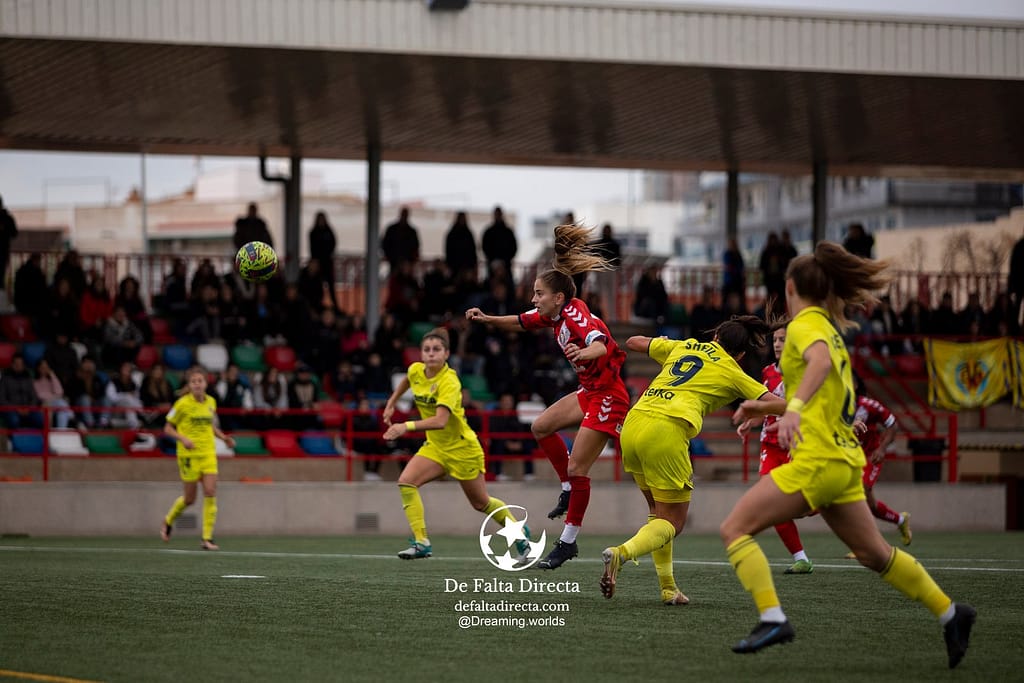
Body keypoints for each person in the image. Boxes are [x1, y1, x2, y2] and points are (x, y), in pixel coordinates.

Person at [722, 241, 975, 667]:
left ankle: (772, 616)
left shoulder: (804, 327)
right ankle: (952, 613)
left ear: (790, 288)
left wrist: (793, 411)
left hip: (818, 462)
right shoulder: (830, 330)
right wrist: (765, 407)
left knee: (734, 529)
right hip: (843, 463)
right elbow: (822, 388)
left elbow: (816, 369)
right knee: (877, 555)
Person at [466, 223, 629, 570]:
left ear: (557, 298)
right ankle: (568, 487)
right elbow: (519, 321)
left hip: (609, 397)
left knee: (578, 466)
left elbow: (599, 342)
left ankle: (567, 541)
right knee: (540, 426)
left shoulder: (576, 315)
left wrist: (587, 353)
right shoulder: (553, 317)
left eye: (538, 293)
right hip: (590, 391)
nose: (533, 298)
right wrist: (486, 318)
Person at [599, 316, 780, 606]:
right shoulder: (733, 370)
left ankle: (668, 589)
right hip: (666, 431)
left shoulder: (685, 346)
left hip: (633, 423)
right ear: (741, 354)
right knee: (673, 521)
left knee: (658, 514)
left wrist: (668, 345)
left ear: (716, 335)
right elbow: (772, 401)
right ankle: (622, 553)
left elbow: (632, 342)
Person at [381, 327, 531, 560]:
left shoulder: (450, 381)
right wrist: (391, 402)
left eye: (437, 349)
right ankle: (422, 542)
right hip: (436, 448)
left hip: (463, 449)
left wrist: (405, 426)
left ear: (447, 354)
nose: (431, 353)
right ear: (421, 354)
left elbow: (441, 421)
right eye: (427, 349)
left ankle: (518, 533)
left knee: (481, 503)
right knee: (406, 482)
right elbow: (407, 382)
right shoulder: (415, 370)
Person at [737, 319, 814, 574]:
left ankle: (825, 502)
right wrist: (752, 421)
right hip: (770, 445)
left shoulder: (805, 372)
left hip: (796, 442)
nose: (778, 344)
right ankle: (801, 558)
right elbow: (766, 407)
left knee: (800, 504)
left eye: (784, 339)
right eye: (776, 340)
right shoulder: (768, 371)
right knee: (772, 501)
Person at [161, 366, 236, 551]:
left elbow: (209, 426)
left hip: (208, 453)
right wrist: (183, 438)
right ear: (189, 384)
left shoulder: (211, 402)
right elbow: (167, 428)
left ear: (205, 383)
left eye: (200, 381)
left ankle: (207, 538)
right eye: (193, 381)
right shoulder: (182, 404)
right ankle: (168, 520)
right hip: (188, 455)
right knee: (189, 499)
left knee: (210, 491)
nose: (197, 384)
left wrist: (224, 438)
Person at [851, 378, 911, 548]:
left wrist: (882, 449)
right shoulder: (837, 405)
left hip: (871, 456)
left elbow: (892, 425)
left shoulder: (869, 406)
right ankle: (900, 520)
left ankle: (866, 545)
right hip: (850, 457)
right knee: (870, 506)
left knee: (861, 491)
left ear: (855, 385)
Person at [309, 210, 339, 312]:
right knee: (317, 286)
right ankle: (318, 304)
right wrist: (314, 260)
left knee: (330, 285)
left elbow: (333, 243)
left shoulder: (328, 231)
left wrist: (328, 254)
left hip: (327, 261)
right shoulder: (314, 232)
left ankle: (335, 306)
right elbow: (312, 248)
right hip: (318, 262)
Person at [481, 206, 517, 291]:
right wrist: (494, 262)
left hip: (506, 265)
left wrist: (504, 262)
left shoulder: (508, 232)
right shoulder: (489, 231)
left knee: (508, 287)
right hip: (493, 265)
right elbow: (485, 247)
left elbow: (513, 248)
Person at [381, 207, 420, 271]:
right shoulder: (392, 229)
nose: (404, 217)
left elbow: (416, 247)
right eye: (403, 214)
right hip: (394, 261)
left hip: (407, 262)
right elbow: (384, 244)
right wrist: (389, 256)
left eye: (405, 215)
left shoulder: (411, 231)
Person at [445, 211, 478, 282]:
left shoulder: (468, 234)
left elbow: (472, 250)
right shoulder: (453, 234)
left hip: (466, 266)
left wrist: (473, 264)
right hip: (455, 265)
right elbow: (449, 250)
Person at [0, 195, 17, 301]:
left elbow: (14, 233)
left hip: (2, 253)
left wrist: (4, 229)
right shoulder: (7, 218)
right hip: (3, 253)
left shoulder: (7, 219)